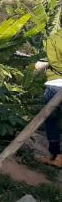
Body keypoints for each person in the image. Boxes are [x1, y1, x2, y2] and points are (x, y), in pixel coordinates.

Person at [41, 29, 62, 167]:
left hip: (55, 84)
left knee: (51, 121)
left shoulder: (54, 38)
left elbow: (54, 63)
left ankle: (55, 155)